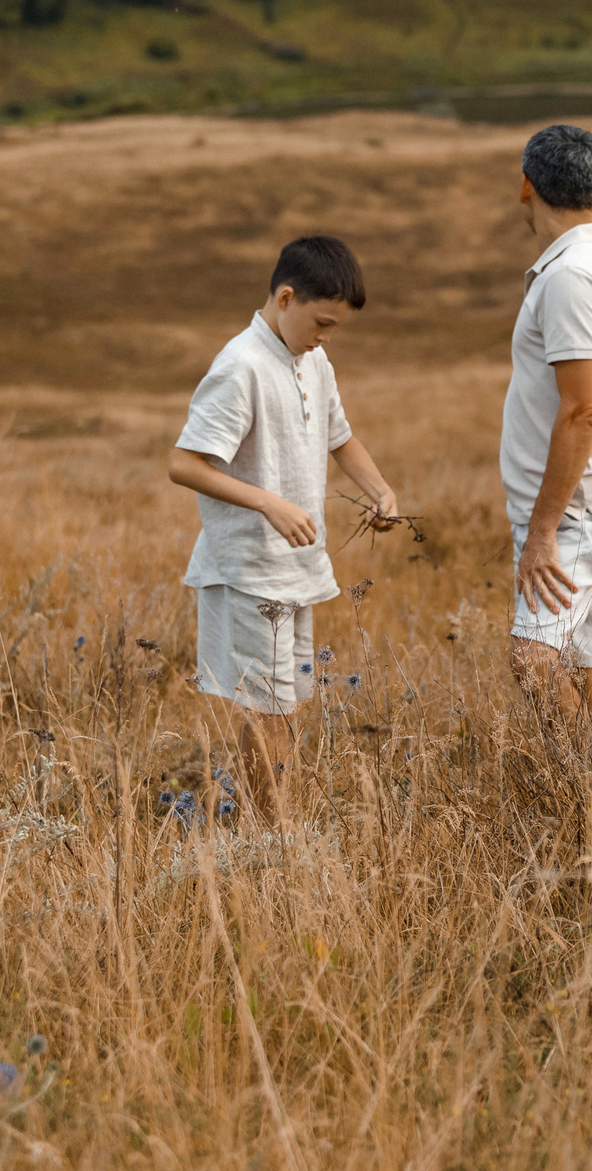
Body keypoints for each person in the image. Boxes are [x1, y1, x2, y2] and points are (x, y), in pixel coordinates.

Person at [167, 236, 399, 824]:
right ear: (285, 297)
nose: (326, 336)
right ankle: (267, 839)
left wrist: (380, 489)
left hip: (296, 570)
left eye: (335, 328)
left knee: (287, 707)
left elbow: (338, 435)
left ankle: (272, 826)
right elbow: (184, 464)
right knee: (265, 712)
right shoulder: (240, 365)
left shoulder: (313, 358)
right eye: (321, 322)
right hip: (249, 569)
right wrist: (268, 503)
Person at [501, 123, 592, 747]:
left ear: (525, 187)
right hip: (579, 500)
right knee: (580, 665)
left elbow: (582, 411)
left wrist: (543, 531)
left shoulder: (569, 278)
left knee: (532, 660)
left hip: (572, 508)